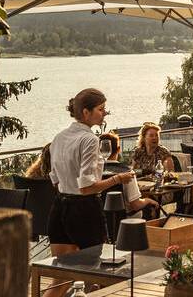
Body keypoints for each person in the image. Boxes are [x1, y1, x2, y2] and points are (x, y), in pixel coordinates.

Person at [47, 89, 141, 256]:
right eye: (100, 109)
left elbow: (55, 180)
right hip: (84, 210)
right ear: (86, 112)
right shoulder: (90, 139)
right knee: (93, 267)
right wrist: (118, 178)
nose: (105, 113)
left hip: (59, 207)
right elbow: (86, 188)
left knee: (60, 268)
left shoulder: (59, 137)